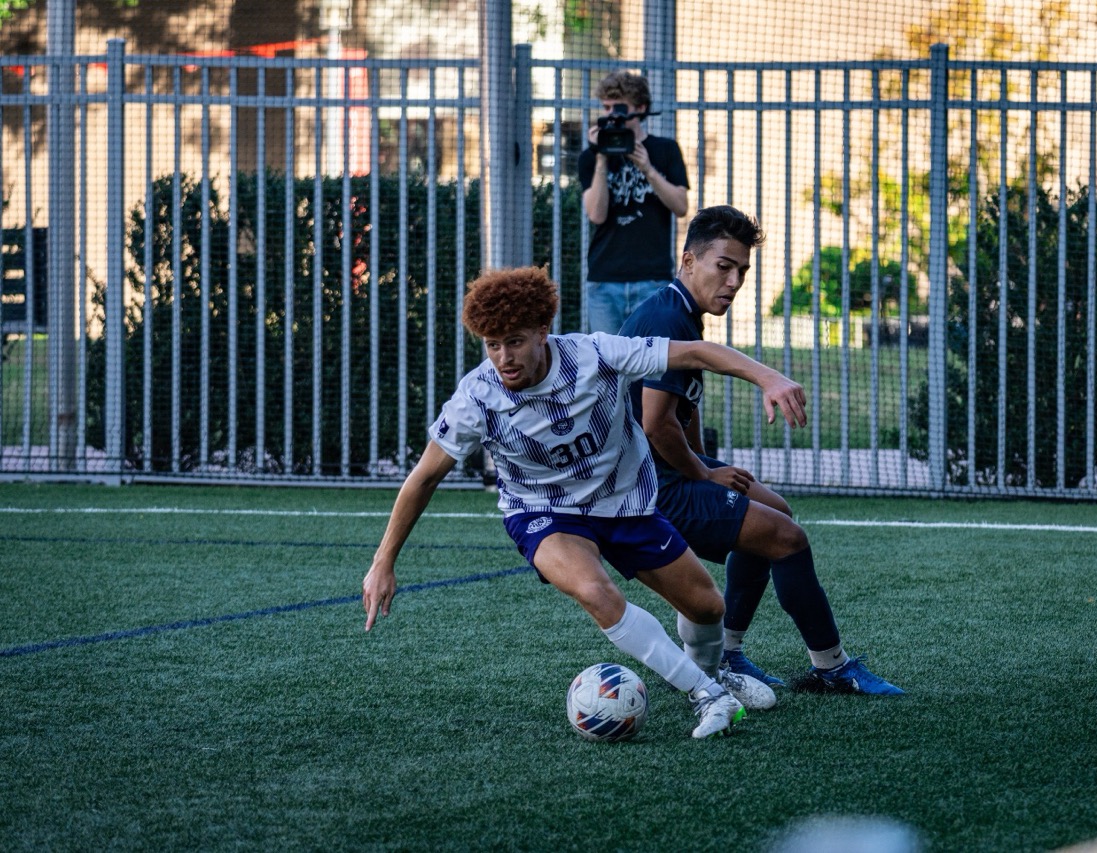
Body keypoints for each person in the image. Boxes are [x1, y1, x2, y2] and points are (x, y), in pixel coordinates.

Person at [362, 266, 806, 739]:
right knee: (596, 592)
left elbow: (696, 351)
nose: (503, 358)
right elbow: (424, 478)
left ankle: (710, 676)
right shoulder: (478, 397)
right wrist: (383, 559)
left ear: (542, 332)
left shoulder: (596, 355)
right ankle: (708, 696)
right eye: (492, 344)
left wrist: (768, 377)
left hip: (624, 502)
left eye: (514, 341)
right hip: (542, 512)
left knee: (706, 607)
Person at [619, 205, 905, 696]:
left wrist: (709, 462)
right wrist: (704, 476)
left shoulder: (679, 311)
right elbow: (655, 424)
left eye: (742, 271)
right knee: (785, 538)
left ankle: (729, 654)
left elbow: (681, 414)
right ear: (688, 261)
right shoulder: (668, 316)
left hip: (661, 468)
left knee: (774, 509)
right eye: (723, 266)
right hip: (646, 482)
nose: (733, 281)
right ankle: (831, 669)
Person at [578, 70, 689, 334]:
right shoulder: (590, 158)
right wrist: (601, 158)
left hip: (651, 277)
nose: (611, 115)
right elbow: (596, 214)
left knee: (652, 362)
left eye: (619, 108)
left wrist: (648, 169)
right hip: (606, 279)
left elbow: (681, 206)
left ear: (640, 108)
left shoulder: (665, 149)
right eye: (605, 108)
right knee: (607, 365)